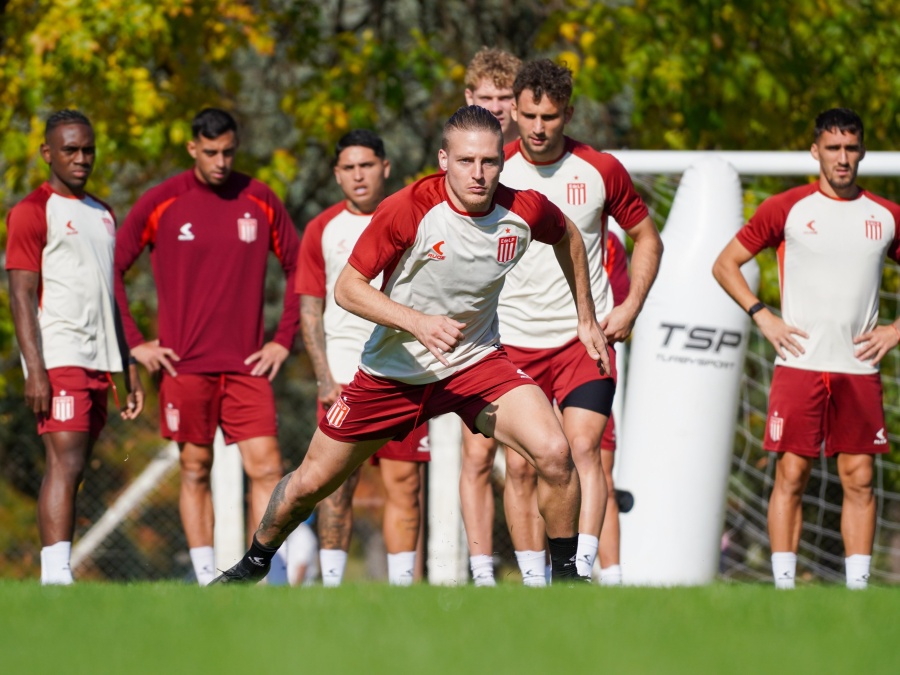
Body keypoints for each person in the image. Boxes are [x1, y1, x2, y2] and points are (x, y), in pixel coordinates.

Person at [210, 105, 609, 585]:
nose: (478, 174)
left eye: (488, 162)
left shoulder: (522, 210)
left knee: (554, 452)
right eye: (465, 161)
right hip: (393, 374)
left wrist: (585, 316)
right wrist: (417, 323)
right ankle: (253, 562)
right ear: (443, 159)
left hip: (475, 364)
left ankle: (567, 579)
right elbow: (348, 289)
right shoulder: (409, 208)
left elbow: (568, 235)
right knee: (310, 484)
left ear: (502, 162)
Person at [461, 59, 663, 586]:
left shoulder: (600, 169)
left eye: (549, 116)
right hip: (510, 345)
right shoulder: (492, 169)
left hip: (582, 339)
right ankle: (533, 582)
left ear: (567, 113)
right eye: (527, 114)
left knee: (582, 449)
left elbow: (647, 237)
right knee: (524, 465)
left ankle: (578, 573)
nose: (537, 127)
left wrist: (630, 305)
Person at [712, 108, 899, 590]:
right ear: (815, 151)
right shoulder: (786, 208)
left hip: (858, 367)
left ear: (862, 152)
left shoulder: (885, 216)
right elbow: (726, 264)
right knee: (791, 474)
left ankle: (857, 591)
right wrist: (762, 315)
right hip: (797, 365)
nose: (842, 158)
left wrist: (896, 330)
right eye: (833, 148)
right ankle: (784, 587)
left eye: (851, 148)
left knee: (858, 478)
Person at [114, 108, 300, 586]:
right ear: (193, 147)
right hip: (184, 368)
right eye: (211, 152)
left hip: (246, 368)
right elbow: (111, 268)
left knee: (268, 467)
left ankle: (266, 579)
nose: (221, 161)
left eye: (229, 152)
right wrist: (135, 343)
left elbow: (302, 269)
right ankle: (204, 583)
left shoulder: (259, 198)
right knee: (195, 469)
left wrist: (282, 340)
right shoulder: (161, 202)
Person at [5, 110, 144, 585]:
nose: (81, 158)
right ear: (47, 153)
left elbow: (112, 295)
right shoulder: (30, 211)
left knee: (77, 464)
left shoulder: (103, 213)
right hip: (59, 354)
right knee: (63, 460)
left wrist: (129, 366)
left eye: (88, 149)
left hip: (101, 362)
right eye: (70, 150)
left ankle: (58, 568)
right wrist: (35, 370)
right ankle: (55, 577)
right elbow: (21, 293)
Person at [297, 129, 430, 586]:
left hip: (405, 374)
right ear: (337, 174)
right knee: (335, 489)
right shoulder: (322, 229)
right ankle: (331, 589)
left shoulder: (414, 217)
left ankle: (403, 590)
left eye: (367, 165)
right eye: (349, 168)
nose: (359, 175)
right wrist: (322, 378)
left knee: (405, 486)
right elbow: (310, 307)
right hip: (343, 380)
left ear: (385, 167)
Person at [464, 47, 522, 146]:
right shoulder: (458, 155)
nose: (496, 108)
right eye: (486, 98)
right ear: (470, 98)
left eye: (505, 98)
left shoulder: (542, 154)